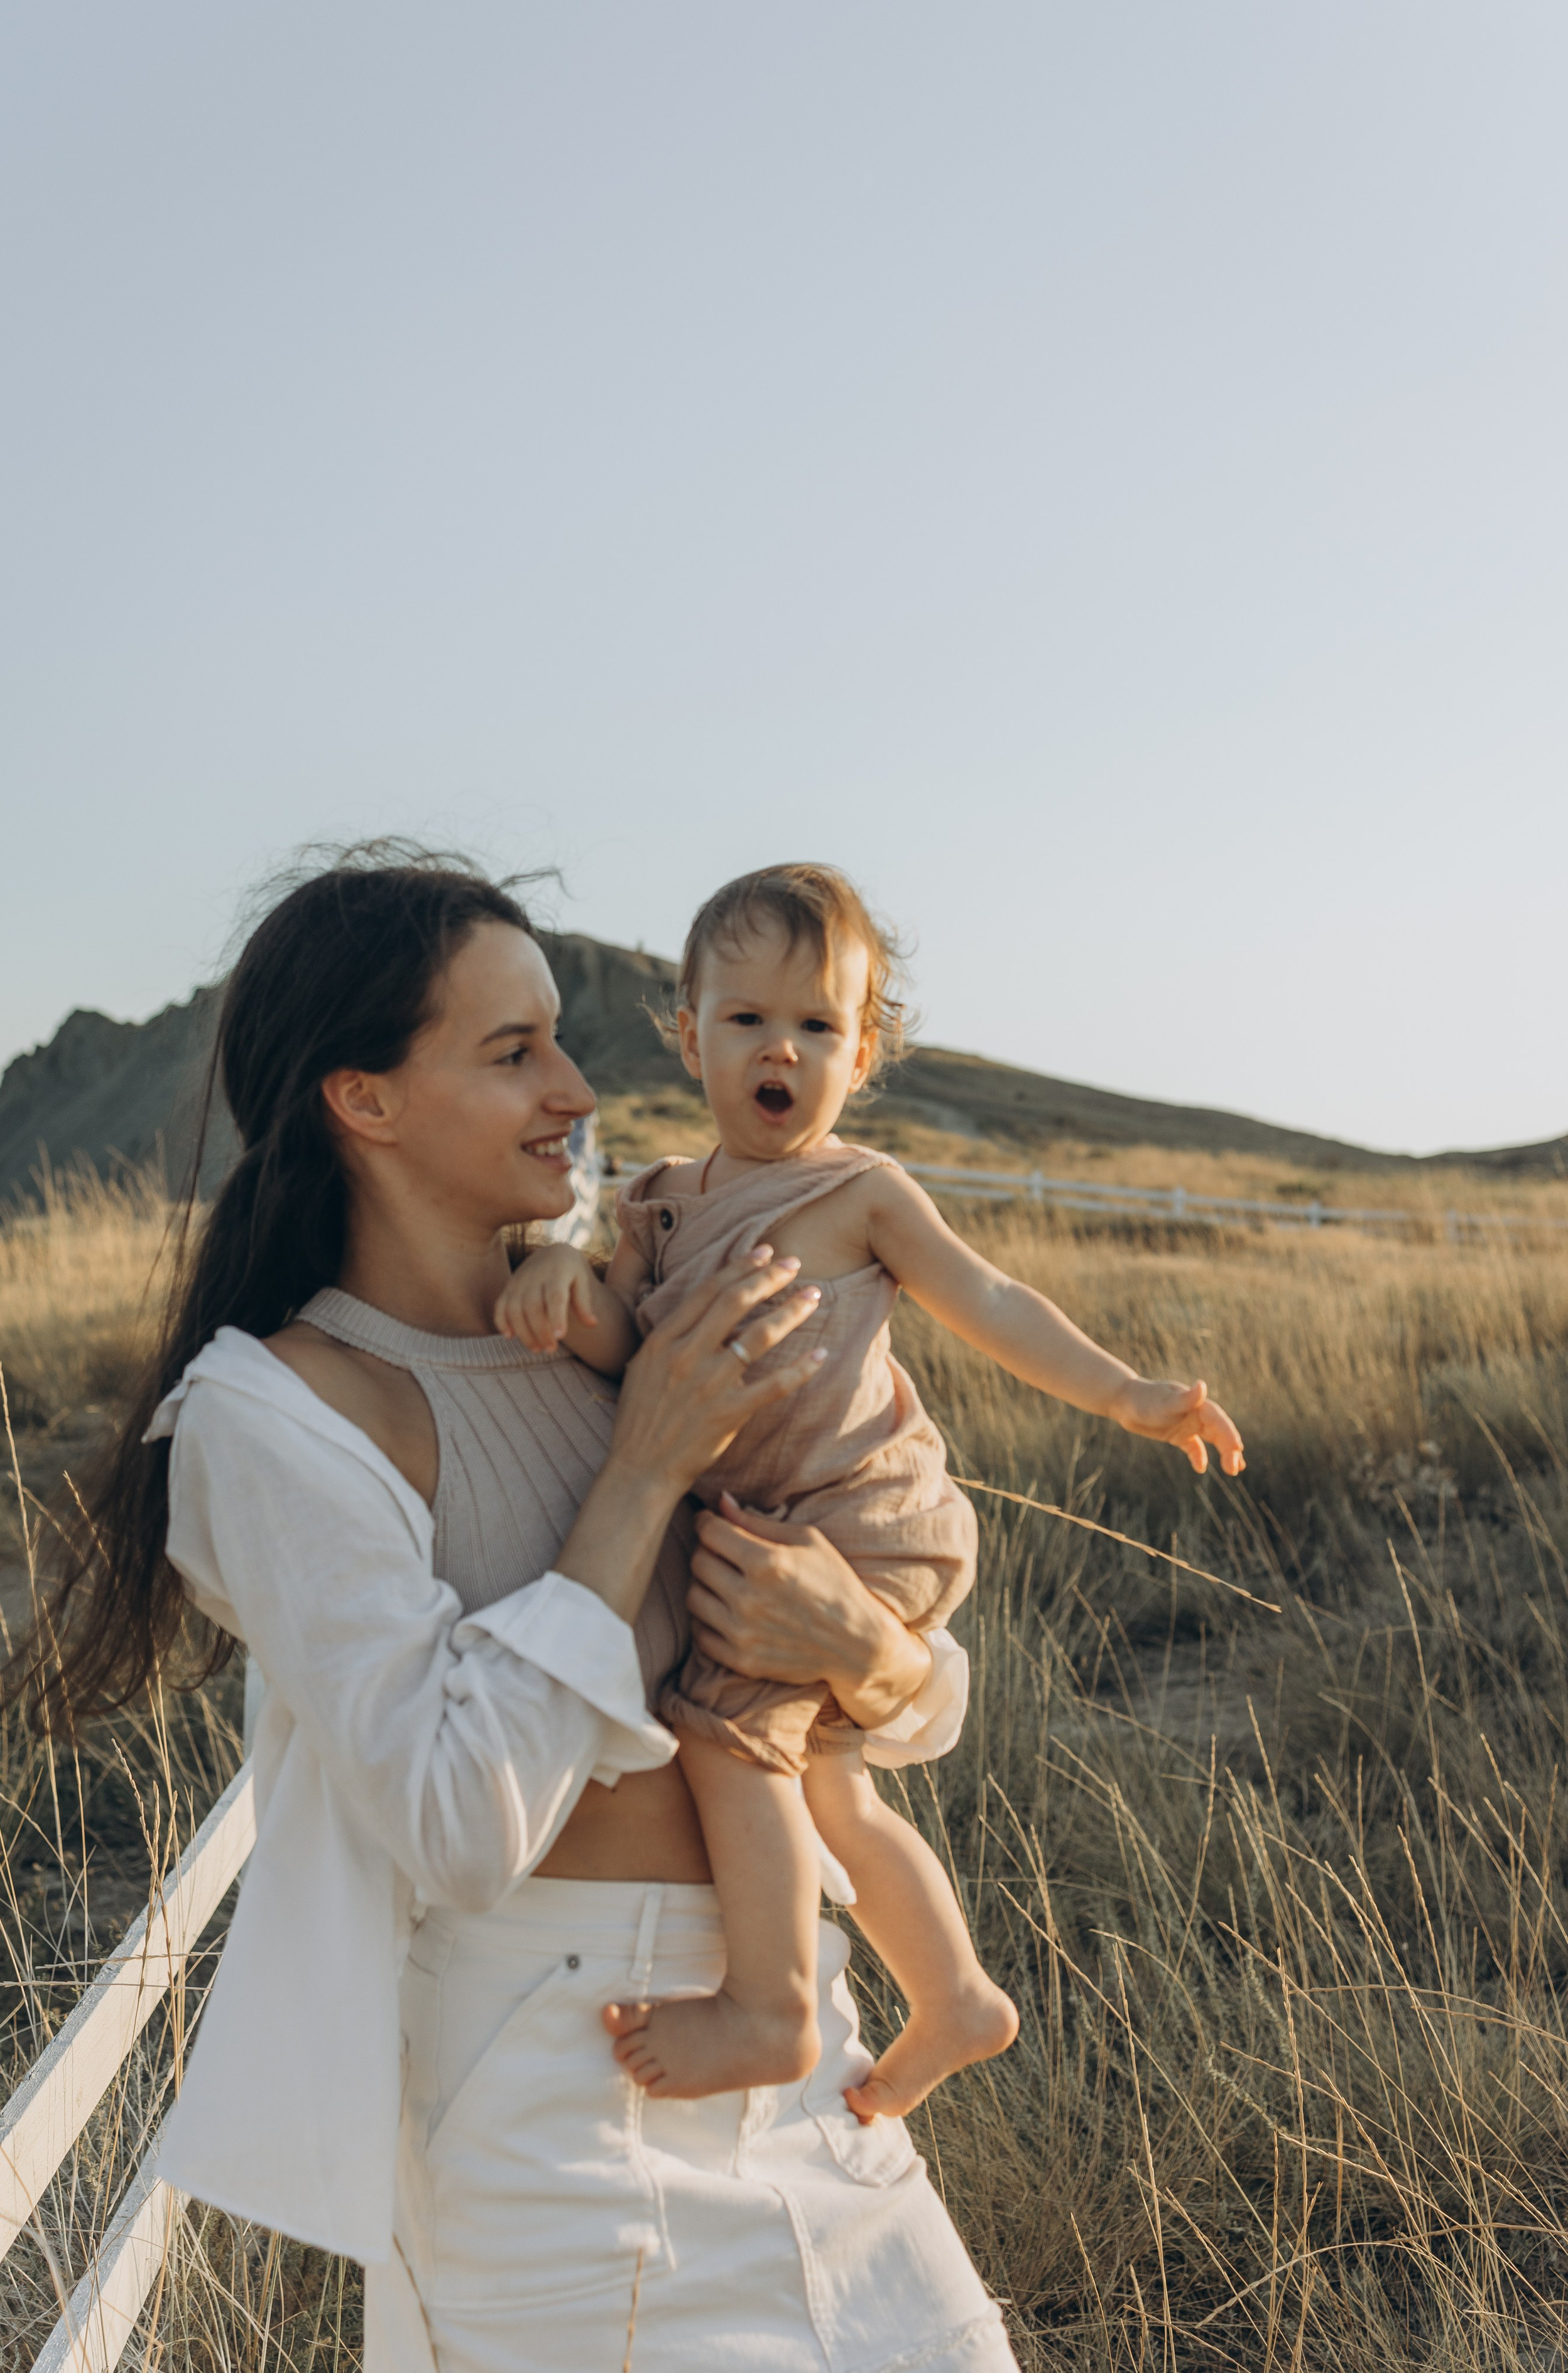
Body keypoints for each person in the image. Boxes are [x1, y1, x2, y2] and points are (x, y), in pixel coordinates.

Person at [22, 848, 1017, 2373]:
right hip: (559, 2092)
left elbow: (898, 1692)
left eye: (559, 1036)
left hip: (797, 2047)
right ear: (365, 1099)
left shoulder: (619, 1323)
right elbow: (452, 1818)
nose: (575, 1085)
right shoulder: (278, 1416)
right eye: (511, 1053)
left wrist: (870, 1649)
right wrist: (637, 1478)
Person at [495, 861, 1246, 2124]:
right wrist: (563, 1289)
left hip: (856, 1523)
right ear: (687, 1036)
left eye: (818, 1025)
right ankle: (952, 1995)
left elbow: (992, 1302)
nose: (779, 1047)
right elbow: (632, 1347)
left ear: (864, 1052)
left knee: (727, 1737)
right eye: (745, 1019)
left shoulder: (858, 1194)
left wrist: (1127, 1396)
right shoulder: (661, 1207)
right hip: (779, 1524)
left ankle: (771, 2006)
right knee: (830, 1787)